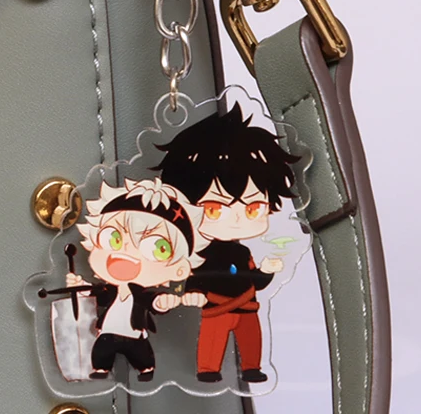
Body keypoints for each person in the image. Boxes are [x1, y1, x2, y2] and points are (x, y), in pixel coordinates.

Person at [155, 103, 300, 383]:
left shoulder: (244, 252)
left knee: (252, 340)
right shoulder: (200, 252)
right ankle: (208, 370)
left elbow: (256, 282)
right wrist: (190, 292)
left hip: (248, 308)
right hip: (215, 309)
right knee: (212, 341)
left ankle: (252, 367)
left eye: (253, 208)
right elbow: (189, 275)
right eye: (213, 209)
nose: (235, 219)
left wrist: (266, 271)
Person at [66, 178, 207, 382]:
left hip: (134, 332)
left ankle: (146, 369)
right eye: (113, 238)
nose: (125, 253)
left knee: (140, 353)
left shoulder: (141, 293)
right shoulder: (110, 290)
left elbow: (153, 301)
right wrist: (80, 286)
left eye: (158, 248)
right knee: (102, 349)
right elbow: (97, 294)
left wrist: (163, 301)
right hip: (108, 331)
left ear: (180, 268)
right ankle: (101, 368)